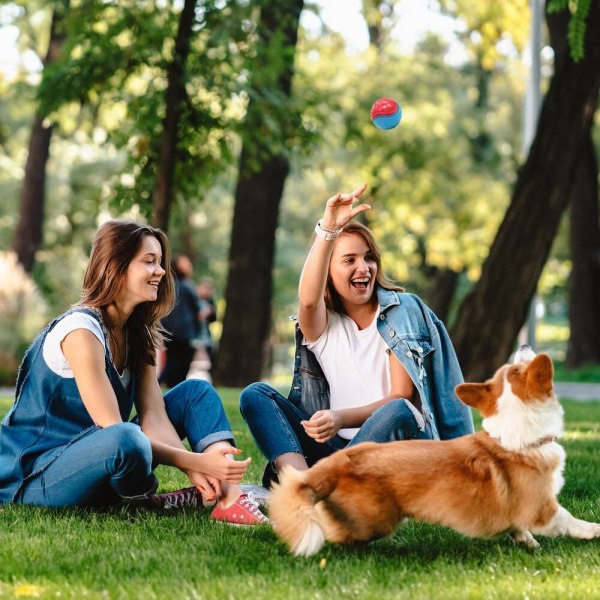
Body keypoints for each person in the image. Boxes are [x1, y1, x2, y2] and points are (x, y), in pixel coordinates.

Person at [0, 220, 267, 525]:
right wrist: (195, 460)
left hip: (99, 460)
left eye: (160, 262)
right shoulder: (80, 332)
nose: (162, 271)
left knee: (195, 392)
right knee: (127, 438)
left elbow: (154, 416)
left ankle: (230, 497)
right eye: (149, 262)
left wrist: (196, 470)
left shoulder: (138, 333)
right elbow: (112, 431)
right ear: (116, 266)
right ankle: (143, 499)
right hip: (35, 475)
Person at [240, 182, 474, 489]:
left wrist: (340, 418)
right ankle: (302, 487)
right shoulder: (325, 326)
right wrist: (328, 229)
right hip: (335, 452)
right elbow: (308, 300)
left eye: (369, 258)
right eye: (349, 260)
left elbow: (401, 399)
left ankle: (322, 487)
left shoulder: (401, 311)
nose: (363, 267)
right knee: (255, 395)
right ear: (328, 271)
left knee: (398, 411)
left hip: (392, 451)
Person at [158, 255, 202, 388]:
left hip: (167, 329)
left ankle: (163, 383)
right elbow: (197, 310)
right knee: (181, 364)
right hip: (184, 332)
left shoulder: (167, 286)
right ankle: (167, 385)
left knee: (171, 361)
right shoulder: (188, 287)